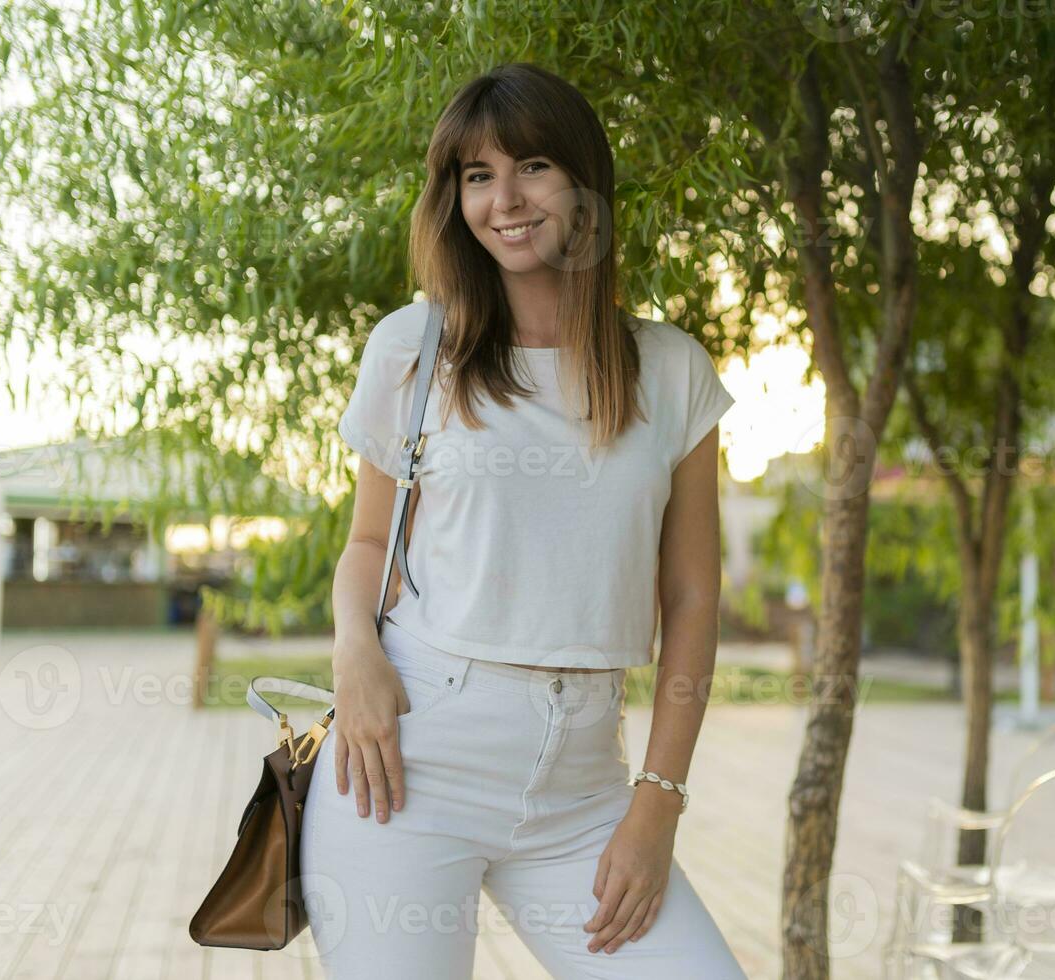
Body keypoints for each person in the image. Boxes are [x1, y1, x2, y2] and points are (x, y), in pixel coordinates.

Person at [299, 62, 747, 979]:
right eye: (475, 176)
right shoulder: (415, 349)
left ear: (584, 185)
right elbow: (369, 544)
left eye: (532, 166)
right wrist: (355, 655)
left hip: (585, 787)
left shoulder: (669, 370)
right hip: (407, 765)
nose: (504, 199)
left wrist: (655, 805)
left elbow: (693, 597)